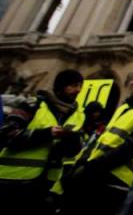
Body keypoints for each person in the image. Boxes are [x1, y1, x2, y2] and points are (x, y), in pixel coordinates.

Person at [62, 65, 133, 215]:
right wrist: (82, 164)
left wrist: (92, 167)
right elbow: (103, 139)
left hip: (113, 179)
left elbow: (131, 147)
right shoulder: (127, 106)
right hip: (93, 172)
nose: (132, 82)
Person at [0, 69, 84, 211]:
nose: (78, 90)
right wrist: (47, 133)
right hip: (11, 180)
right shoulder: (33, 105)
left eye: (80, 86)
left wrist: (71, 140)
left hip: (46, 186)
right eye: (73, 85)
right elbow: (6, 135)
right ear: (60, 86)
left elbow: (73, 151)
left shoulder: (79, 115)